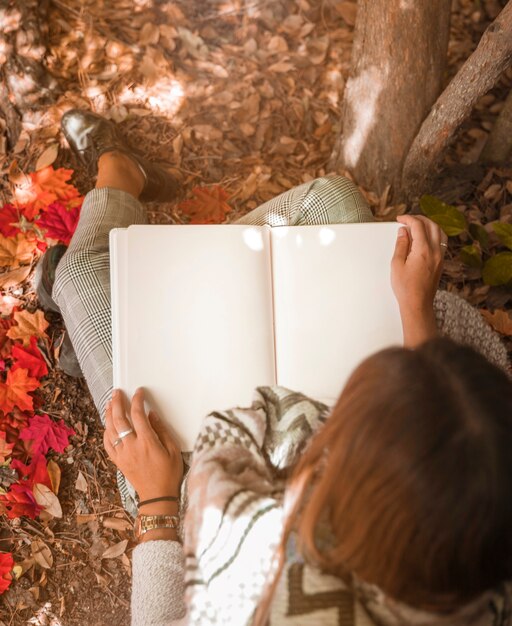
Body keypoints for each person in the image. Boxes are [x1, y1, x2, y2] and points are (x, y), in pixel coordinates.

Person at [38, 110, 512, 626]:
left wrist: (156, 502)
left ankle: (118, 180)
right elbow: (449, 431)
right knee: (331, 200)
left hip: (182, 475)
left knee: (84, 274)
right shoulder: (483, 502)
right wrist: (417, 313)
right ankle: (94, 324)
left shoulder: (273, 595)